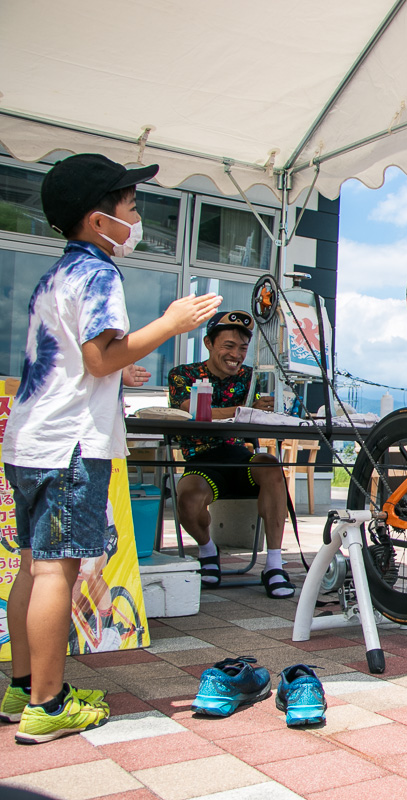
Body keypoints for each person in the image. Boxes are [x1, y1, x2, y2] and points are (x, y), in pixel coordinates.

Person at [1, 153, 221, 743]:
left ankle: (26, 685)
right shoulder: (99, 273)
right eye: (128, 205)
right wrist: (172, 323)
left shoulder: (57, 275)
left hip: (30, 438)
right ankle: (48, 705)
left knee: (33, 564)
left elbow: (80, 361)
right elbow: (101, 354)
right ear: (100, 221)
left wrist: (114, 372)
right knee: (56, 571)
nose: (136, 215)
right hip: (70, 444)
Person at [166, 312, 295, 598]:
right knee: (187, 499)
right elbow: (190, 411)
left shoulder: (254, 378)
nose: (236, 354)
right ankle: (207, 550)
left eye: (242, 348)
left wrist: (271, 404)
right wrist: (246, 411)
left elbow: (272, 412)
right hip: (202, 461)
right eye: (228, 346)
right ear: (209, 343)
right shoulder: (182, 374)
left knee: (273, 468)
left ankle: (273, 565)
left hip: (241, 457)